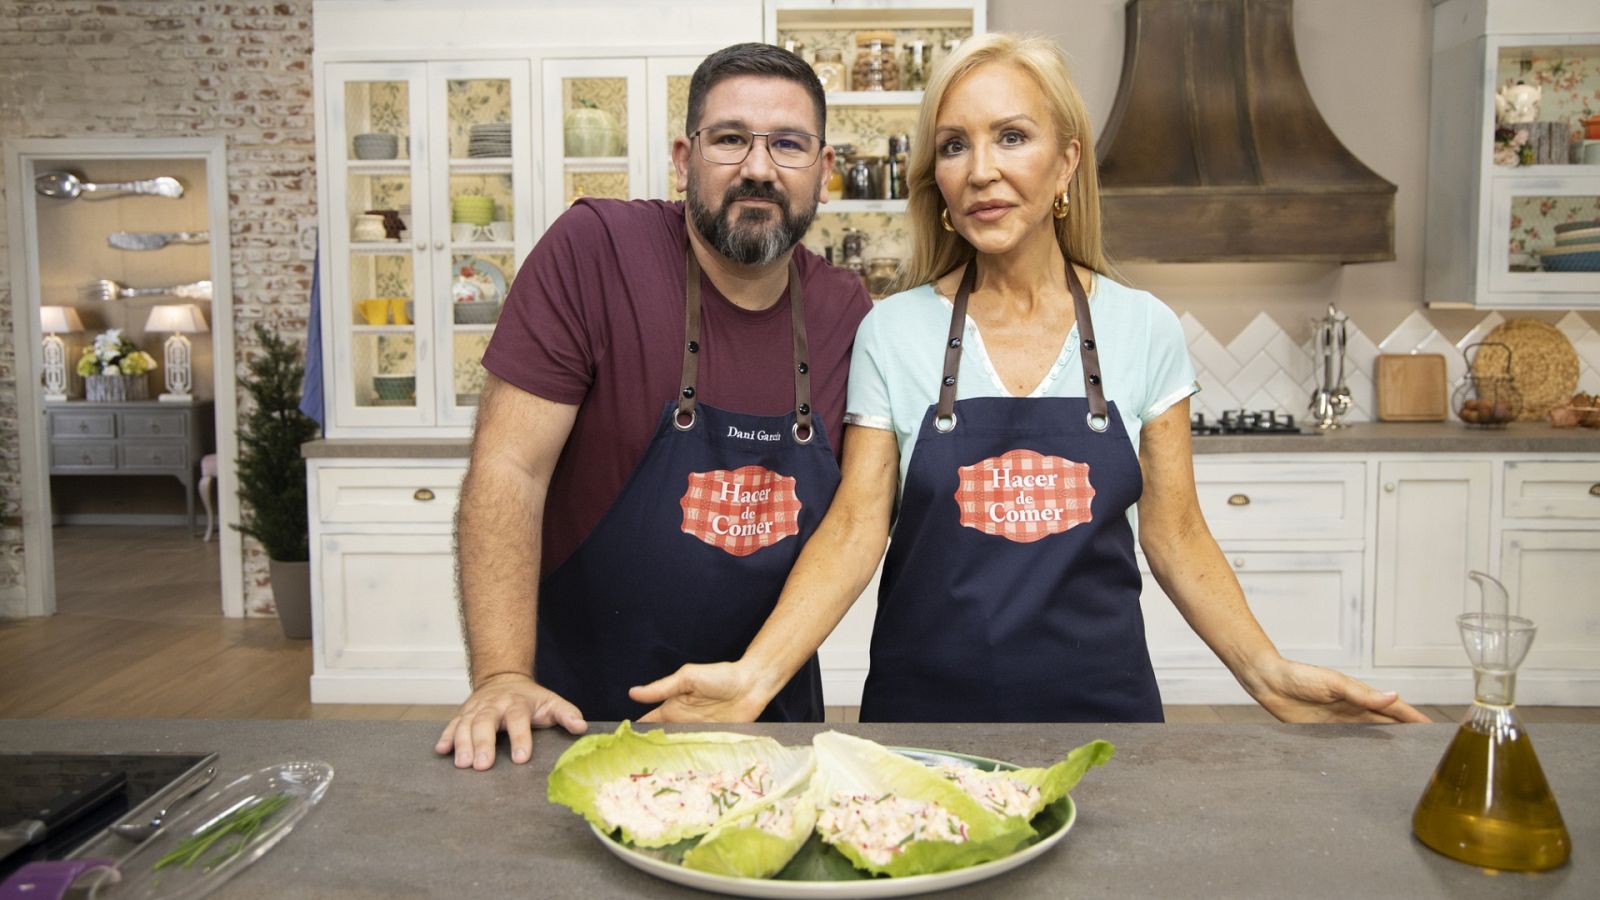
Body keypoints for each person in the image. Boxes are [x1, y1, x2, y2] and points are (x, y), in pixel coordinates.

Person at [631, 33, 1430, 725]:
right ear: (938, 184)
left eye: (1011, 137)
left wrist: (1266, 672)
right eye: (954, 145)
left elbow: (1175, 532)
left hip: (1103, 714)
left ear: (1065, 163)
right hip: (923, 713)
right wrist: (756, 675)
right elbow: (854, 528)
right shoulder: (895, 331)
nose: (981, 170)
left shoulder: (1141, 327)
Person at [435, 43, 872, 770]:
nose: (758, 168)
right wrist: (502, 674)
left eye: (788, 144)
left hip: (767, 721)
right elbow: (511, 468)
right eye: (730, 138)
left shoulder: (845, 310)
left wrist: (756, 679)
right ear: (684, 158)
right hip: (577, 717)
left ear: (823, 172)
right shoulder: (595, 252)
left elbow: (858, 521)